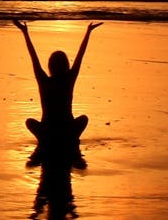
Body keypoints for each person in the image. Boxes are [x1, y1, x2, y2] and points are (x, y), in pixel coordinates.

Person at [12, 19, 103, 154]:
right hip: (67, 130)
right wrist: (88, 32)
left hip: (47, 131)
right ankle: (67, 139)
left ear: (50, 66)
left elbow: (34, 57)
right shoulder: (69, 79)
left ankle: (48, 140)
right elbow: (80, 56)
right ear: (66, 65)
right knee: (83, 119)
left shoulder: (44, 80)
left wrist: (25, 33)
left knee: (30, 122)